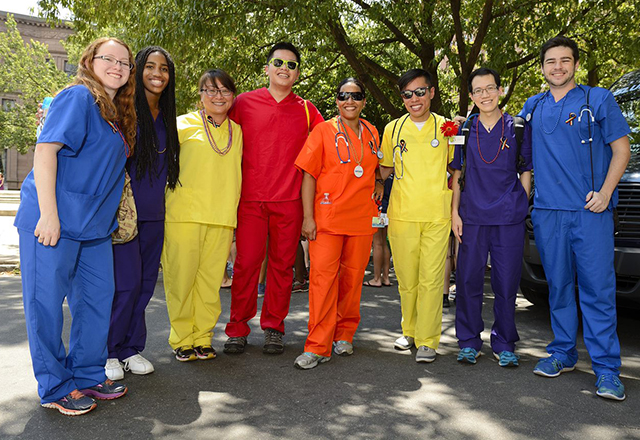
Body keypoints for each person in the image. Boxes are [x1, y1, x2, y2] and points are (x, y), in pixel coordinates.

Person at [14, 37, 135, 416]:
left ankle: (86, 374)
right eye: (108, 59)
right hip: (52, 220)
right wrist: (49, 214)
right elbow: (45, 149)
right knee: (45, 305)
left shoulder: (115, 113)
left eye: (124, 62)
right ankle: (55, 385)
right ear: (89, 61)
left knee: (98, 301)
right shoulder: (79, 96)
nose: (117, 66)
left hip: (95, 228)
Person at [521, 36, 630, 400]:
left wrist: (604, 193)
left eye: (564, 61)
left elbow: (621, 149)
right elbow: (505, 134)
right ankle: (563, 352)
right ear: (541, 67)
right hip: (549, 213)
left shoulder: (597, 99)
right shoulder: (532, 106)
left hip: (589, 213)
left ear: (575, 65)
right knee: (559, 287)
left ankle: (607, 370)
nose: (557, 67)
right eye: (550, 61)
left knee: (599, 291)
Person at [223, 42, 323, 355]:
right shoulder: (242, 103)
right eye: (278, 62)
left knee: (282, 268)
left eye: (292, 65)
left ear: (297, 74)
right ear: (267, 68)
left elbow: (327, 148)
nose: (284, 68)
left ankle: (274, 328)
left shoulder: (308, 110)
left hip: (289, 201)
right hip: (250, 201)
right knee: (246, 265)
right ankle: (237, 329)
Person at [293, 77, 382, 369]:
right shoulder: (322, 131)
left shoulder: (372, 132)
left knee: (353, 280)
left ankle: (344, 334)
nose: (350, 101)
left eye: (356, 96)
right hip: (327, 219)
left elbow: (375, 168)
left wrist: (379, 181)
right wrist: (307, 218)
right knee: (322, 282)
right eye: (344, 96)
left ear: (364, 101)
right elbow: (308, 175)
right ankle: (317, 345)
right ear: (337, 101)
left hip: (361, 219)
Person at [105, 46, 180, 380]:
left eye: (164, 69)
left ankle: (131, 349)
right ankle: (108, 351)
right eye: (150, 66)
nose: (157, 74)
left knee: (146, 284)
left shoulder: (167, 117)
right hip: (124, 215)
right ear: (138, 70)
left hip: (155, 215)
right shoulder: (122, 110)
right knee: (125, 284)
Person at [450, 67, 532, 367]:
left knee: (506, 282)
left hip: (508, 216)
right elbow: (457, 175)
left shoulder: (518, 127)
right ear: (471, 96)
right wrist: (455, 213)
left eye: (490, 88)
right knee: (469, 280)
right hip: (472, 215)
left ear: (500, 91)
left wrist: (520, 202)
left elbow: (525, 169)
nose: (485, 95)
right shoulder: (465, 130)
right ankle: (469, 341)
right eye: (478, 90)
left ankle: (504, 342)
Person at [162, 69, 243, 362]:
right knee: (181, 279)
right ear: (201, 95)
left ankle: (203, 337)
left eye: (224, 91)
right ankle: (182, 338)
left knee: (210, 283)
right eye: (210, 90)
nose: (218, 96)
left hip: (222, 217)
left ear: (233, 96)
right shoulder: (181, 124)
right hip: (184, 214)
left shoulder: (239, 130)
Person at [378, 68, 454, 363]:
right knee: (407, 279)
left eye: (420, 92)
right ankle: (409, 330)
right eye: (408, 94)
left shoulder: (447, 128)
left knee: (432, 279)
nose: (414, 99)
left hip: (437, 215)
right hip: (401, 215)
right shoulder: (392, 129)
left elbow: (456, 171)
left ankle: (428, 340)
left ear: (431, 92)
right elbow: (384, 170)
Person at [364, 176, 393, 288]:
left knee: (377, 243)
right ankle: (386, 277)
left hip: (378, 207)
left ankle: (376, 278)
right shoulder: (392, 170)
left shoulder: (379, 175)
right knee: (384, 242)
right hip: (388, 207)